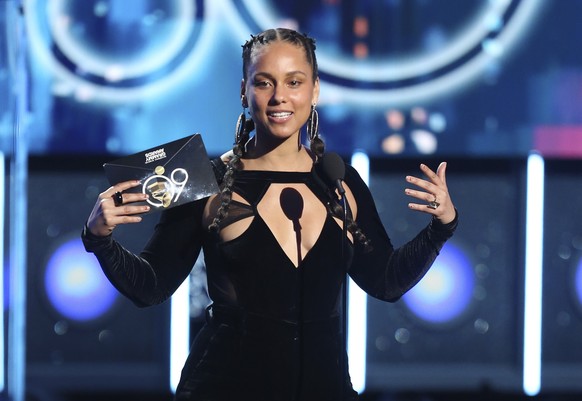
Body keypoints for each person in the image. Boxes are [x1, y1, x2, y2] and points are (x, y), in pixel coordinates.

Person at [82, 27, 458, 401]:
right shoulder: (202, 179)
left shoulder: (341, 181)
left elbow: (385, 281)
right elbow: (150, 287)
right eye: (264, 83)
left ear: (315, 90)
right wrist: (100, 239)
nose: (280, 97)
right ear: (244, 91)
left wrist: (440, 228)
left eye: (294, 82)